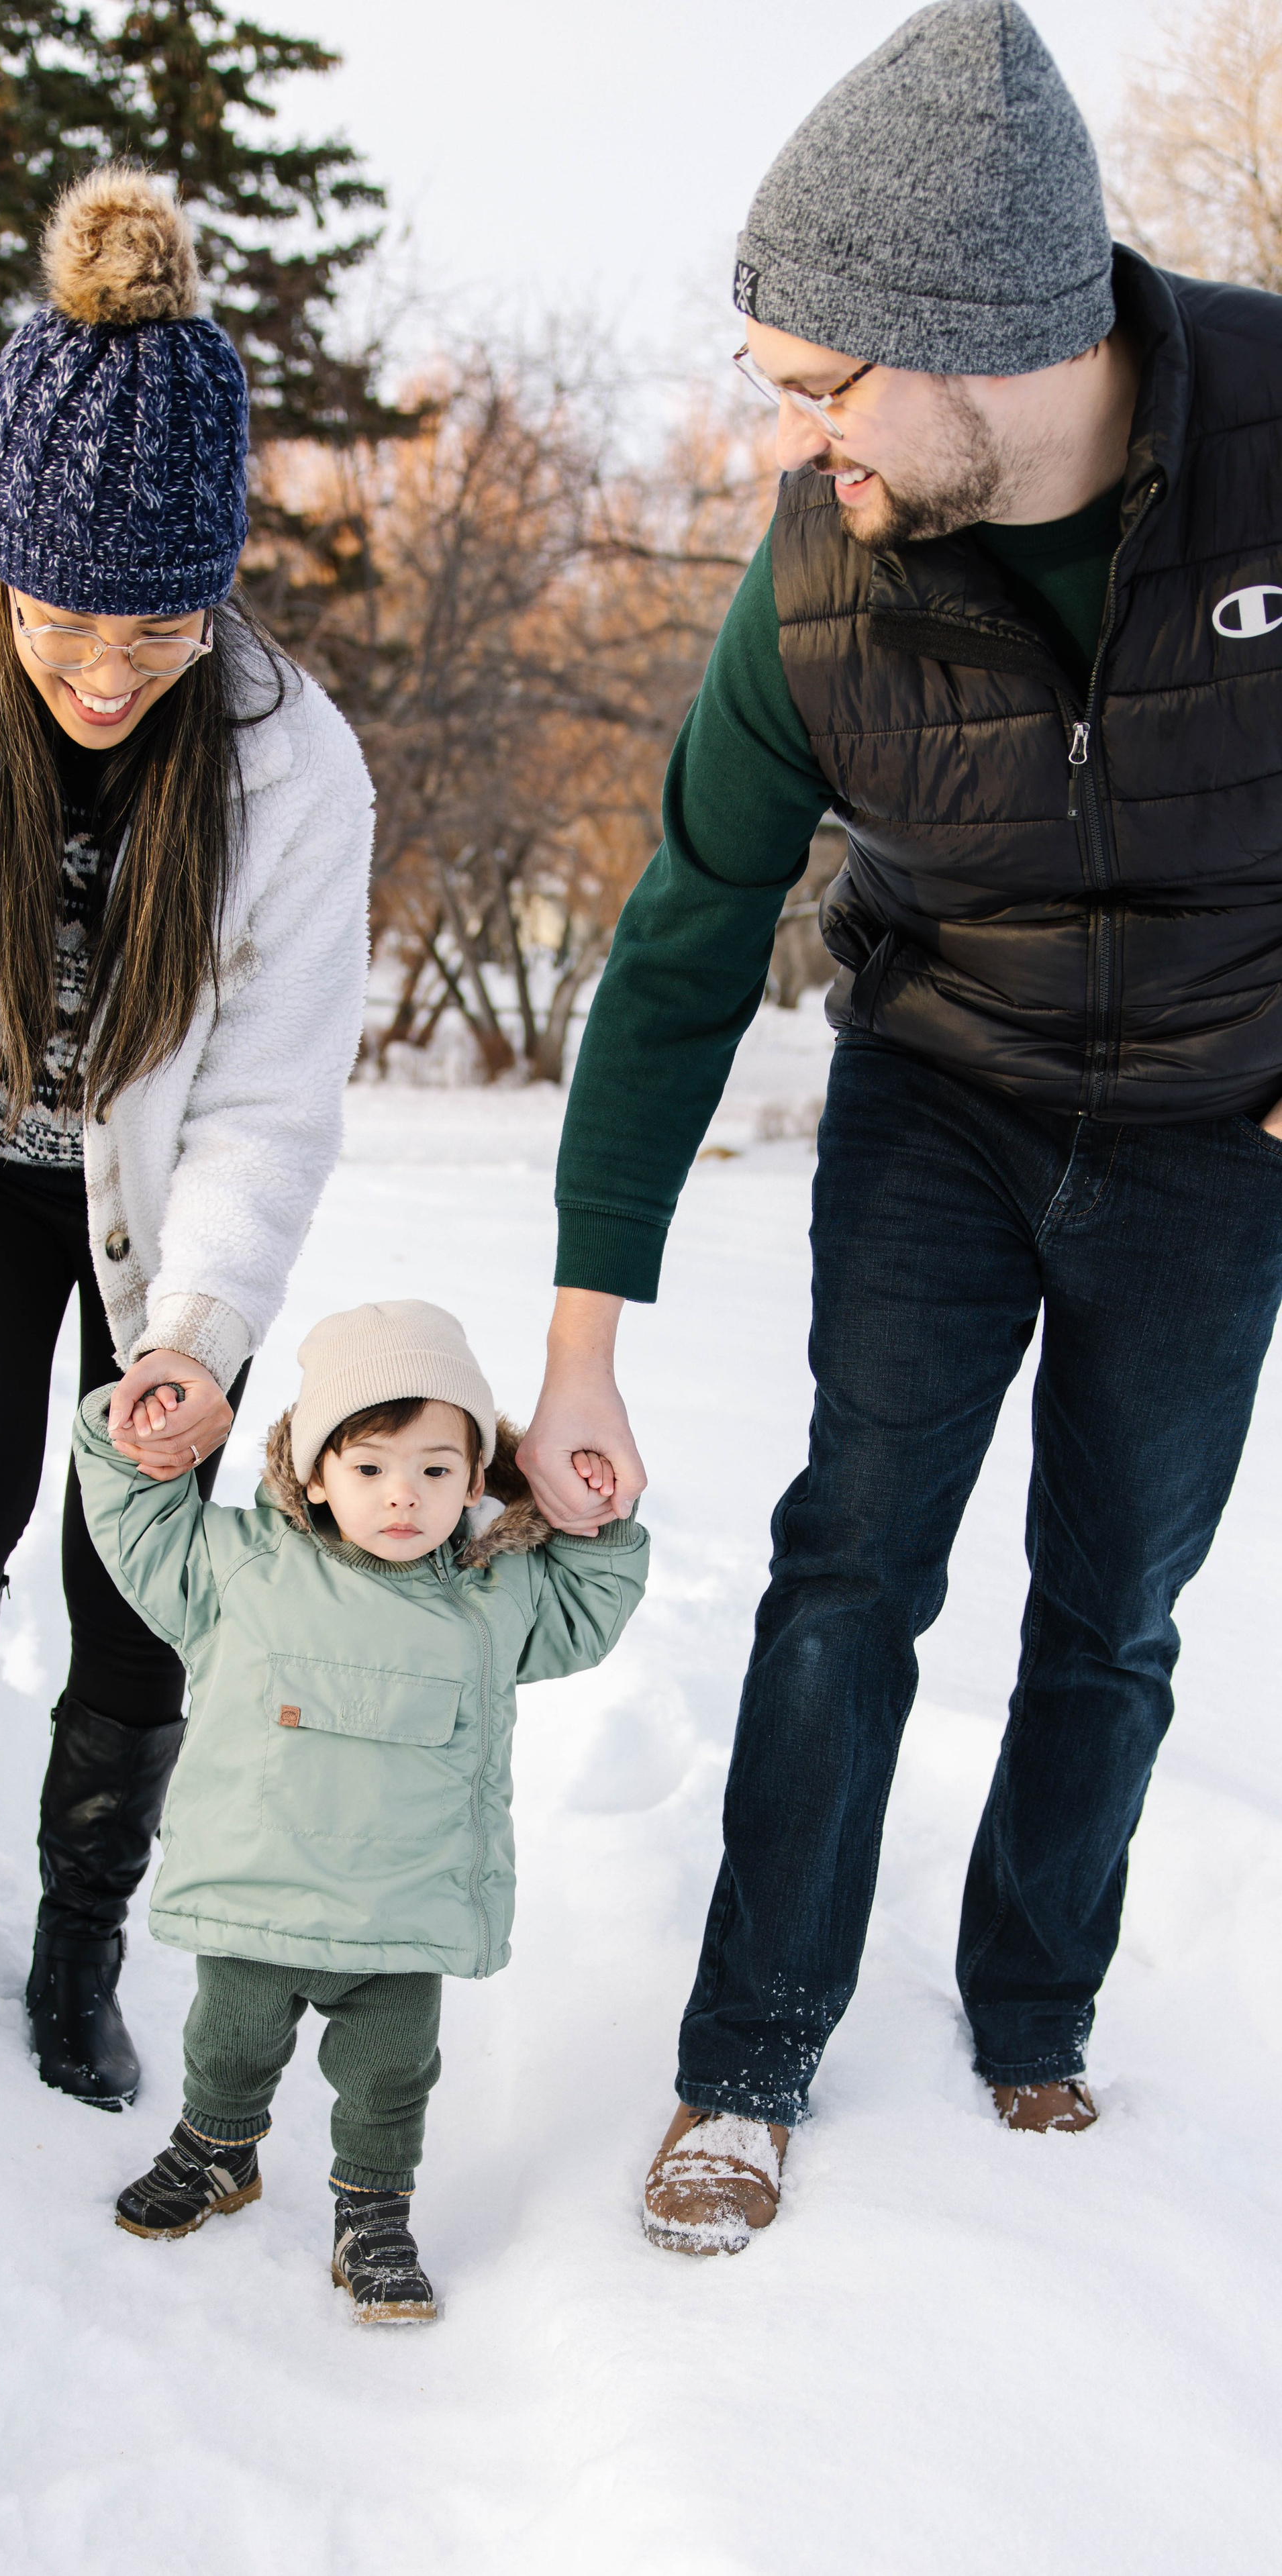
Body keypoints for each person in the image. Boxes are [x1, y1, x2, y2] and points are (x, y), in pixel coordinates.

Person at [517, 0, 1282, 2253]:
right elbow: (684, 939)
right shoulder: (822, 577)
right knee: (854, 1559)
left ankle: (1035, 2008)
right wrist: (581, 1339)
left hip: (1216, 1133)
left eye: (821, 382)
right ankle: (747, 2049)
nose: (792, 434)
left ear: (982, 342)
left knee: (1116, 1604)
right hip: (941, 1091)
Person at [0, 166, 375, 2110]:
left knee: (138, 1573)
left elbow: (269, 1094)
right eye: (63, 625)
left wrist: (196, 1332)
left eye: (158, 626)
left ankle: (78, 1936)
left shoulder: (289, 762)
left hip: (172, 1213)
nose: (111, 670)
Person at [70, 1300, 649, 2320]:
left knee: (390, 2076)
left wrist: (594, 1525)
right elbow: (140, 1526)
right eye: (370, 1466)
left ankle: (373, 2210)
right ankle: (216, 2147)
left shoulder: (494, 1596)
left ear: (478, 1478)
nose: (403, 1495)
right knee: (228, 2042)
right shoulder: (241, 1569)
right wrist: (133, 1432)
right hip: (259, 1896)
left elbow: (580, 1611)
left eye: (436, 1469)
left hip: (401, 1914)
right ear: (312, 1473)